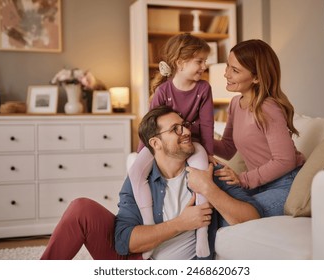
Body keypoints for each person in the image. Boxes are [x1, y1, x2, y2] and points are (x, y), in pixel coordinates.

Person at [40, 106, 263, 260]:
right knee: (81, 208)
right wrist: (180, 223)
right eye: (175, 129)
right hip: (137, 263)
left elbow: (252, 218)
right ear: (155, 143)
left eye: (184, 125)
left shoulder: (210, 172)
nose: (186, 132)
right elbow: (123, 241)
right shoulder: (139, 179)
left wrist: (207, 188)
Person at [188, 39, 305, 217]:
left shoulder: (267, 108)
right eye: (228, 66)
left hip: (286, 185)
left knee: (225, 216)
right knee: (208, 208)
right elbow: (227, 148)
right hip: (260, 185)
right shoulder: (236, 103)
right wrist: (196, 135)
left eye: (235, 70)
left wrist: (244, 179)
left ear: (257, 77)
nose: (226, 74)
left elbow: (285, 160)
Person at [129, 33, 216, 258]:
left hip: (192, 144)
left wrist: (209, 154)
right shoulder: (163, 91)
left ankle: (202, 233)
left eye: (204, 61)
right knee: (135, 169)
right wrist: (143, 154)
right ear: (180, 62)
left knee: (201, 175)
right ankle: (148, 223)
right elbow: (149, 125)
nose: (204, 66)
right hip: (164, 143)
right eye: (200, 61)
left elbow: (207, 124)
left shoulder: (203, 89)